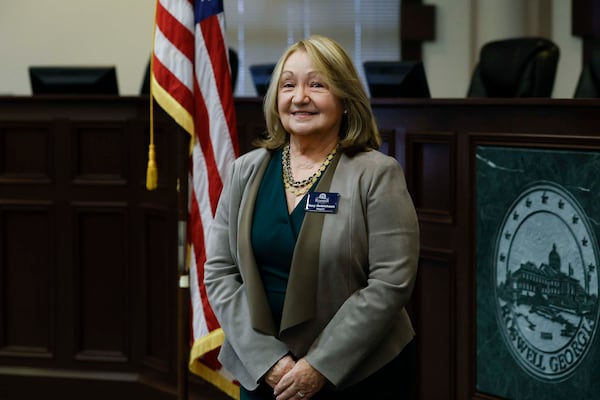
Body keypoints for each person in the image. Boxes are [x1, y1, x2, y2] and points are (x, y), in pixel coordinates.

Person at [204, 35, 420, 400]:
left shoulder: (377, 173)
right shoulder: (246, 171)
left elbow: (390, 281)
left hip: (358, 374)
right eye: (288, 85)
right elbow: (220, 273)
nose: (300, 97)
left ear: (345, 99)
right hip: (265, 376)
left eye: (317, 84)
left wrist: (320, 365)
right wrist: (269, 361)